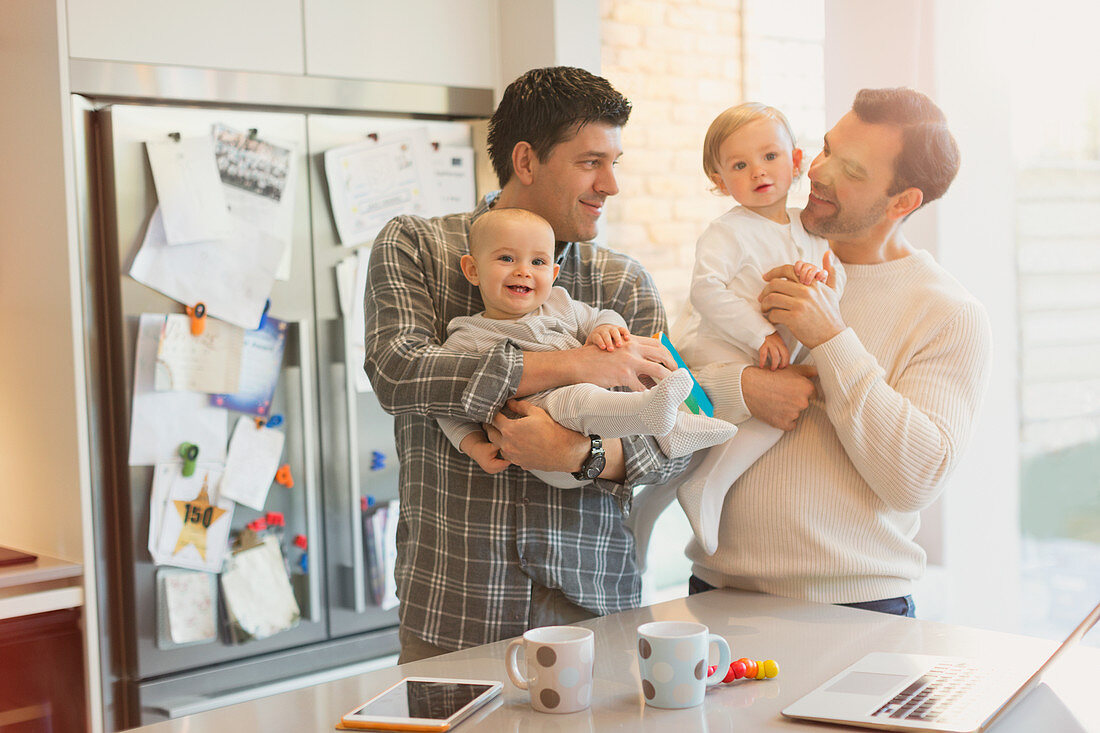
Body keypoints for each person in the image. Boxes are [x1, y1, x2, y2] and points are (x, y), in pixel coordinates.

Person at [363, 66, 691, 662]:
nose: (611, 184)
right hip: (453, 604)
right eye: (592, 162)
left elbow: (674, 440)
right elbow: (398, 371)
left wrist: (577, 456)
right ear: (526, 160)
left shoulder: (621, 281)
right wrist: (576, 365)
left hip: (592, 603)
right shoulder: (420, 247)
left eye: (616, 162)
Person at [687, 87, 992, 618]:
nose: (820, 173)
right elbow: (668, 386)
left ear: (903, 202)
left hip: (859, 608)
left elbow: (917, 478)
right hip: (716, 594)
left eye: (851, 170)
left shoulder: (948, 312)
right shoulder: (748, 248)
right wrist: (739, 389)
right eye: (826, 149)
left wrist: (832, 337)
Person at [437, 207, 736, 488]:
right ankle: (649, 413)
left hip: (591, 441)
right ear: (473, 269)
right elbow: (446, 407)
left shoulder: (560, 304)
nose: (524, 271)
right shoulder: (468, 335)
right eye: (506, 259)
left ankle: (675, 428)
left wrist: (604, 329)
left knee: (611, 390)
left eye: (537, 262)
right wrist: (474, 446)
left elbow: (602, 315)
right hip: (538, 438)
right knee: (579, 395)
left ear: (553, 275)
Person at [673, 102, 845, 554]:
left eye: (770, 157)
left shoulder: (808, 230)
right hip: (720, 347)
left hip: (762, 354)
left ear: (796, 161)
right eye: (739, 165)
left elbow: (834, 278)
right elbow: (705, 292)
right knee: (772, 407)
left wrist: (818, 280)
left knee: (781, 405)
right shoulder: (727, 232)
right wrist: (758, 334)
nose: (758, 172)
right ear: (718, 181)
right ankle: (707, 484)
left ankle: (674, 500)